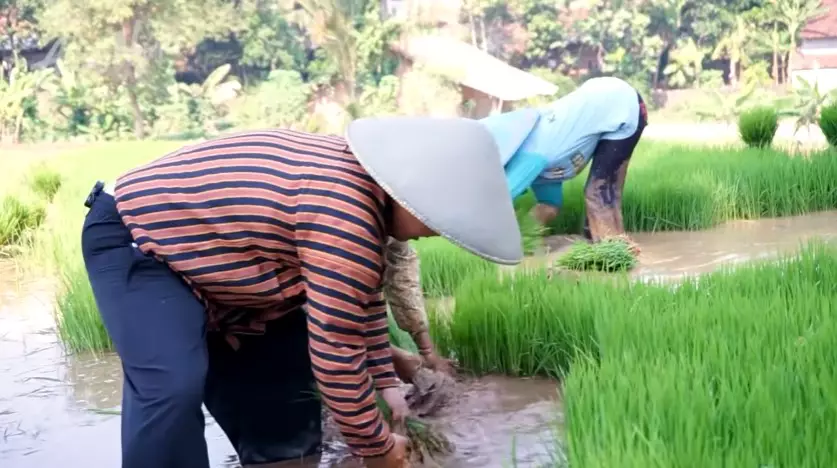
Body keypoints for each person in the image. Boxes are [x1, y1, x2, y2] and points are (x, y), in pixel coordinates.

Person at [79, 117, 523, 468]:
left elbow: (361, 298)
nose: (434, 233)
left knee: (283, 421)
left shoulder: (364, 198)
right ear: (409, 193)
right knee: (171, 390)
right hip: (142, 244)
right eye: (436, 220)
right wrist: (377, 448)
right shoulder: (342, 206)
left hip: (234, 274)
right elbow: (336, 352)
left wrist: (387, 384)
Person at [482, 75, 648, 252]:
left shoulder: (532, 155)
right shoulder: (541, 168)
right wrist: (524, 237)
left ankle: (616, 257)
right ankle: (616, 248)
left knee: (598, 193)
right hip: (610, 101)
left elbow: (497, 200)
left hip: (619, 104)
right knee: (603, 200)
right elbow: (550, 205)